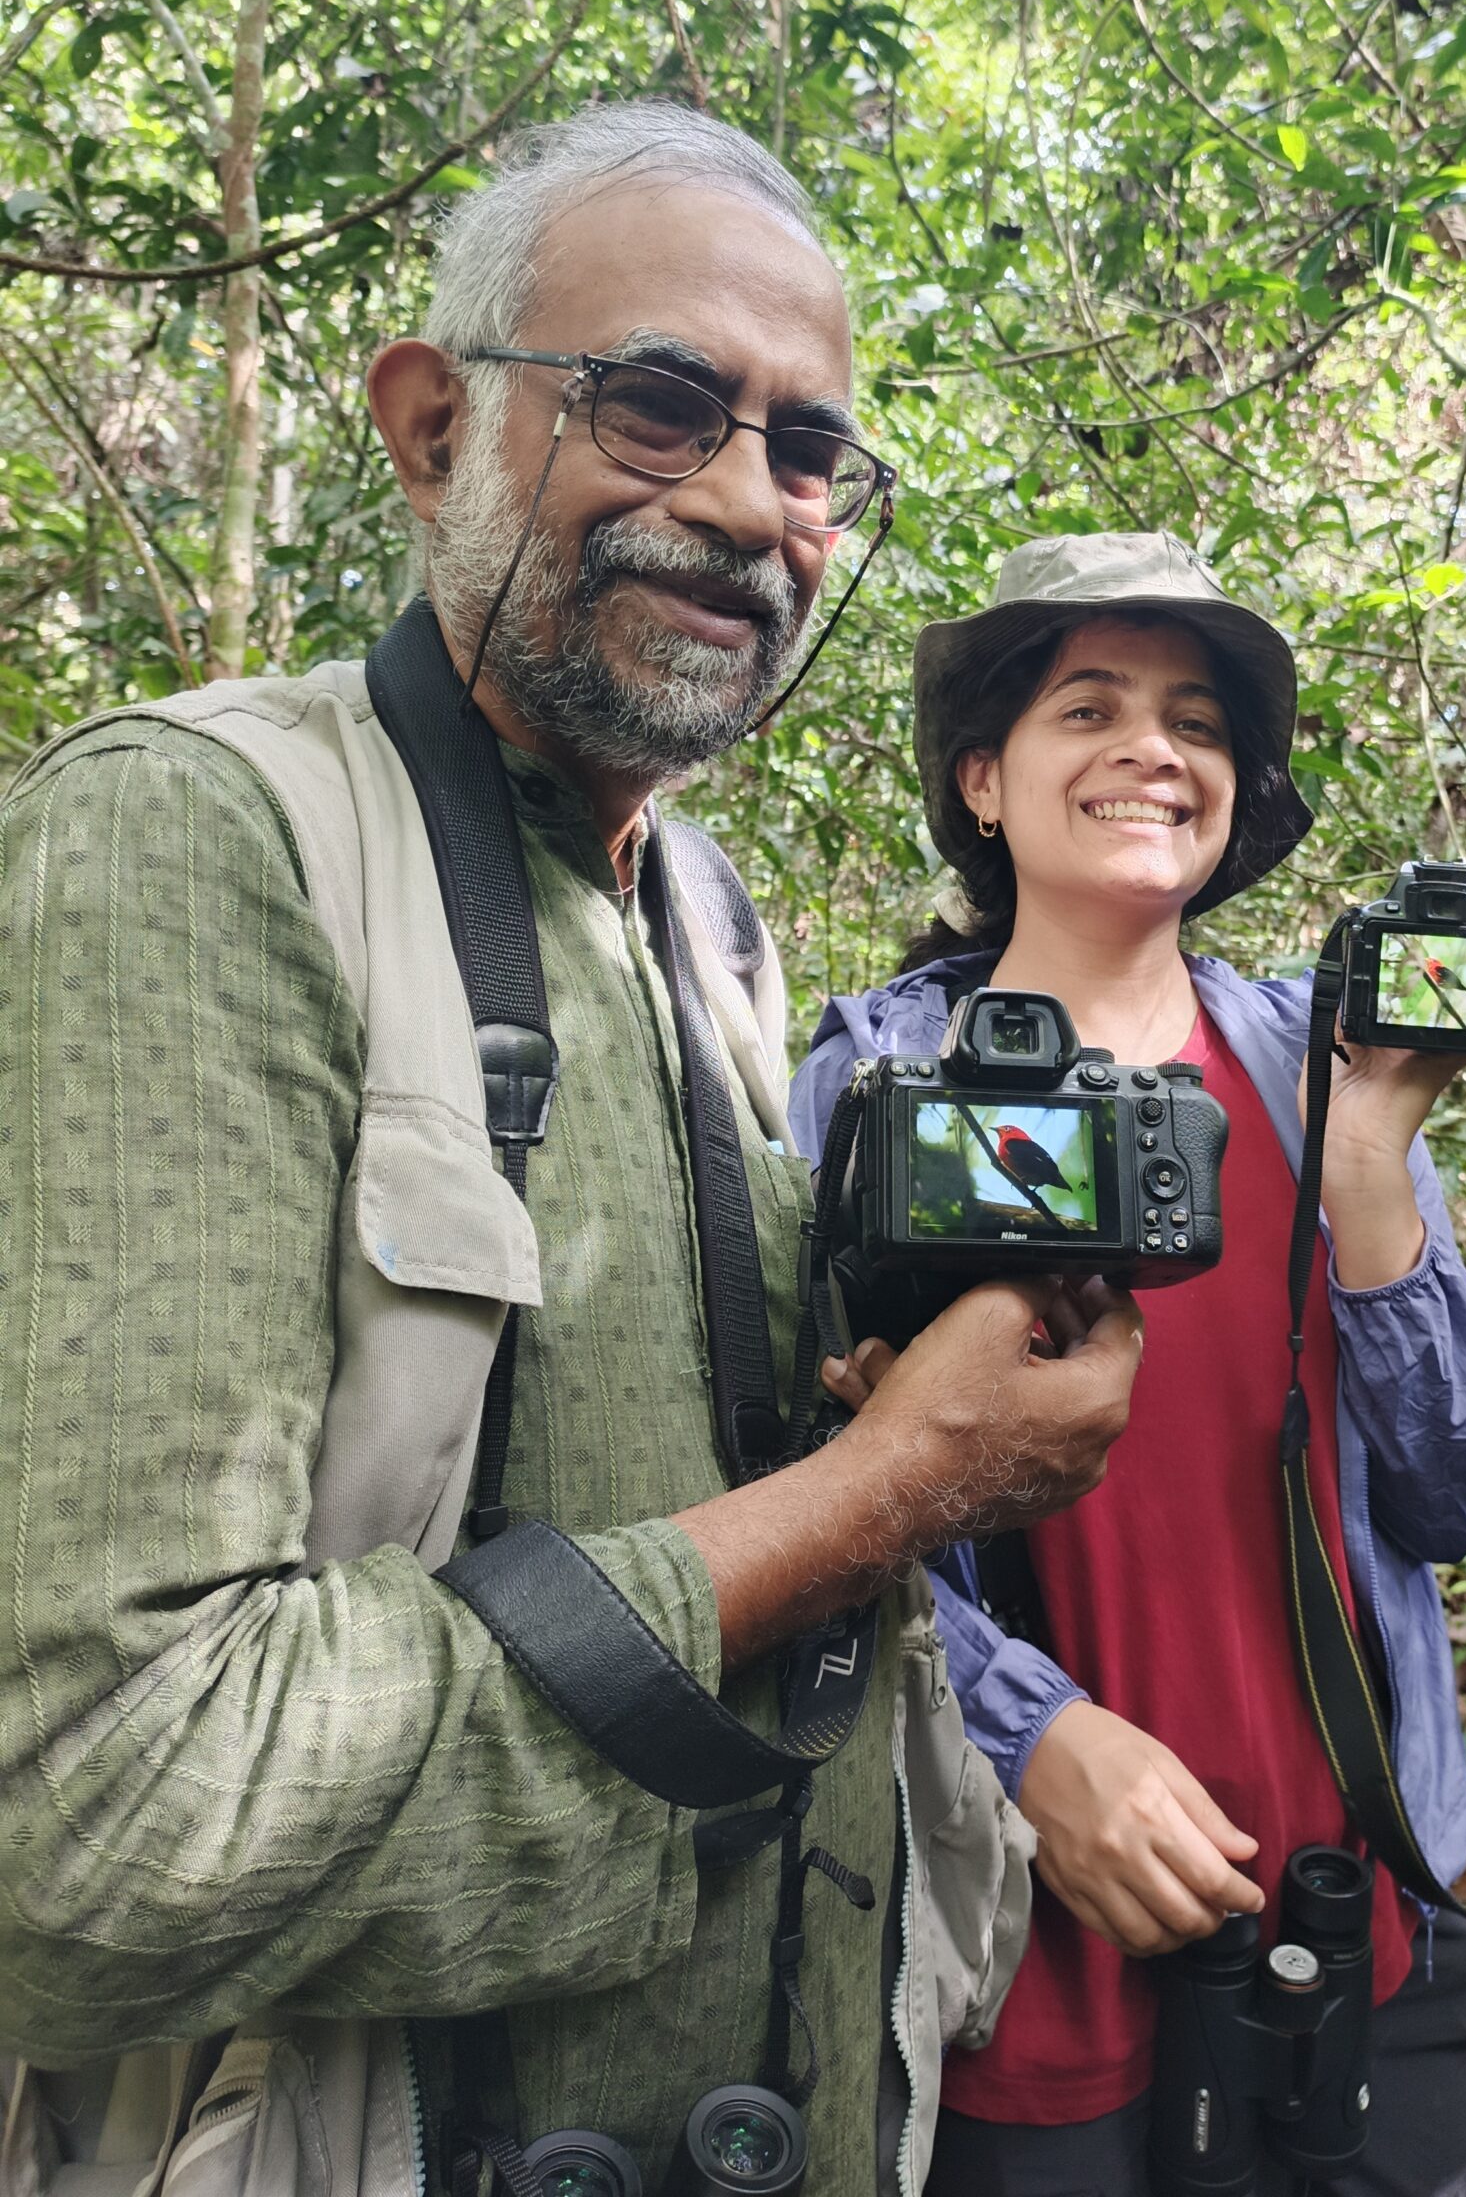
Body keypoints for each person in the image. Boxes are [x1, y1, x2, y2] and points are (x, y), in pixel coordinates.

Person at [0, 107, 1143, 2197]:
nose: (747, 501)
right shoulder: (195, 832)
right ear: (433, 427)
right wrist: (884, 1490)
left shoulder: (699, 920)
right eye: (658, 405)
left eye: (810, 452)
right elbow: (87, 1822)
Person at [790, 532, 1466, 2197]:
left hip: (1355, 1906)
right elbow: (800, 1496)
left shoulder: (1314, 1066)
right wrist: (1030, 1738)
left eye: (1196, 723)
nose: (1153, 750)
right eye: (1089, 708)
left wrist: (1364, 1166)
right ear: (982, 779)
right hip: (1021, 1935)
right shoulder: (871, 1092)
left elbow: (1456, 1493)